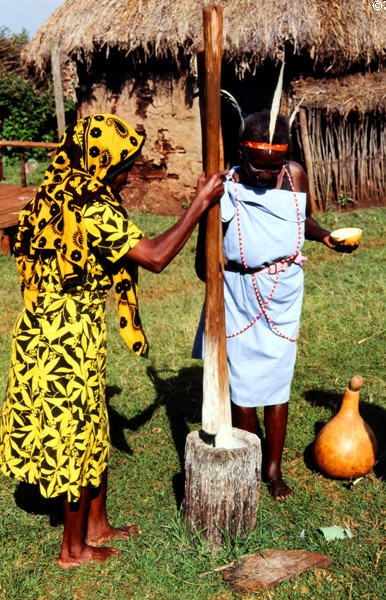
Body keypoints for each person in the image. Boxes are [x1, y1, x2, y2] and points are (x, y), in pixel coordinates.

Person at [0, 114, 226, 567]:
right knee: (74, 438)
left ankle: (97, 525)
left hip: (53, 323)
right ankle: (73, 549)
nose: (128, 175)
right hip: (63, 336)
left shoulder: (62, 186)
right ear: (102, 163)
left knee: (94, 424)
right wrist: (199, 203)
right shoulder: (92, 205)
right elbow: (156, 257)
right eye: (124, 166)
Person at [193, 108, 358, 500]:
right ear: (241, 153)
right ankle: (251, 462)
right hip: (238, 291)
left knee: (277, 382)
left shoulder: (294, 175)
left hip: (283, 290)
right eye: (258, 167)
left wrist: (325, 237)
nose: (266, 176)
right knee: (246, 385)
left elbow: (302, 221)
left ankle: (273, 468)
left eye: (274, 166)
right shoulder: (226, 185)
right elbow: (204, 262)